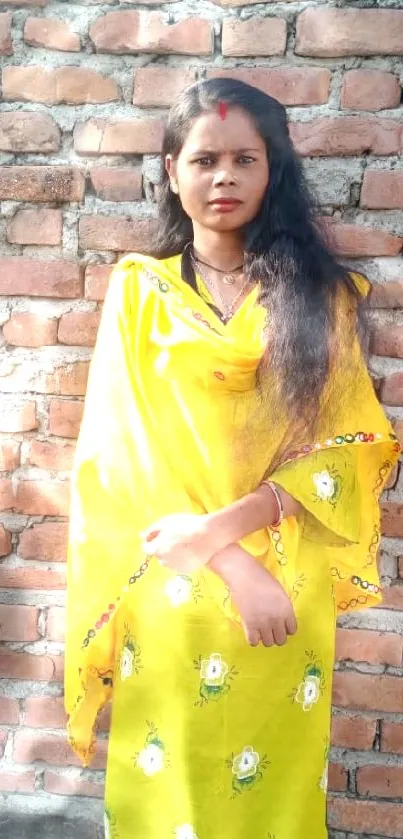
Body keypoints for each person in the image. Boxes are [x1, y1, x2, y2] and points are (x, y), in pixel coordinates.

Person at [65, 79, 400, 839]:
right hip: (173, 577)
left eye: (245, 159)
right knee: (172, 789)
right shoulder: (139, 292)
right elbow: (124, 454)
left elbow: (348, 446)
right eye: (205, 158)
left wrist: (244, 540)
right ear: (171, 170)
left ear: (272, 171)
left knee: (272, 798)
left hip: (282, 593)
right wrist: (227, 561)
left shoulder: (321, 296)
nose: (223, 177)